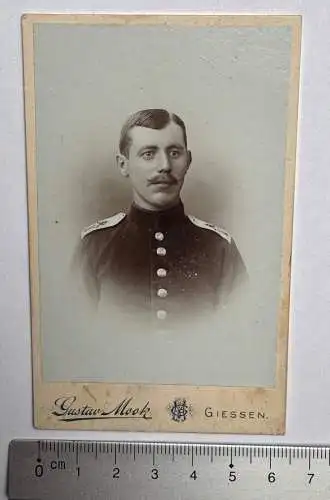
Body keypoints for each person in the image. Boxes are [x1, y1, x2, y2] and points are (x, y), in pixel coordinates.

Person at [78, 108, 247, 327]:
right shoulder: (93, 246)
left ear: (188, 161)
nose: (165, 166)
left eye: (174, 153)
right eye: (149, 154)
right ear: (123, 165)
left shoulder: (220, 249)